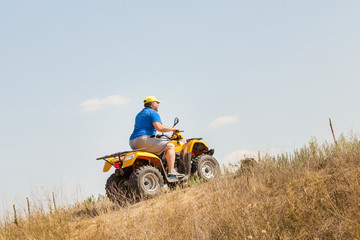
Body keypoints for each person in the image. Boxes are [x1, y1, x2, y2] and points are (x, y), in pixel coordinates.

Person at [129, 96, 184, 179]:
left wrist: (155, 136)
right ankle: (171, 172)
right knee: (170, 146)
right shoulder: (153, 112)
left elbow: (143, 128)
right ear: (153, 104)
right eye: (157, 103)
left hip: (133, 142)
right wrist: (173, 129)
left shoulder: (139, 114)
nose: (158, 105)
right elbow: (159, 127)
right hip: (143, 140)